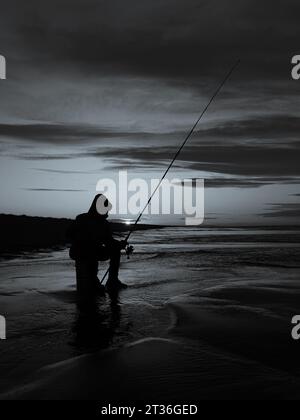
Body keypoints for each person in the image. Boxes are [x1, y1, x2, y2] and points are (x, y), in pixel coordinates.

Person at [68, 194, 128, 295]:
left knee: (110, 249)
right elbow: (70, 234)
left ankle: (110, 281)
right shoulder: (98, 223)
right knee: (93, 252)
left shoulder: (81, 218)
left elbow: (109, 241)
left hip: (80, 252)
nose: (107, 212)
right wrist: (118, 245)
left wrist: (119, 244)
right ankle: (105, 281)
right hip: (82, 252)